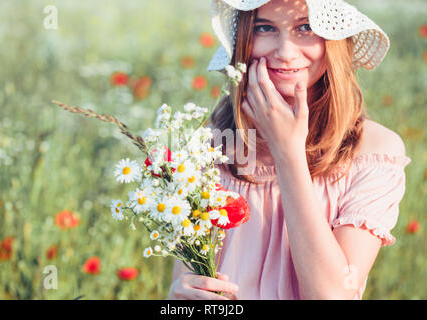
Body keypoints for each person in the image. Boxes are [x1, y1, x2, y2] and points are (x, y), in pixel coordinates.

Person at [167, 0, 411, 300]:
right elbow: (187, 281)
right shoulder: (208, 145)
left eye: (306, 27)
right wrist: (177, 298)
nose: (285, 52)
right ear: (243, 39)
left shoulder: (372, 149)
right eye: (265, 28)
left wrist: (288, 153)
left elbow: (333, 296)